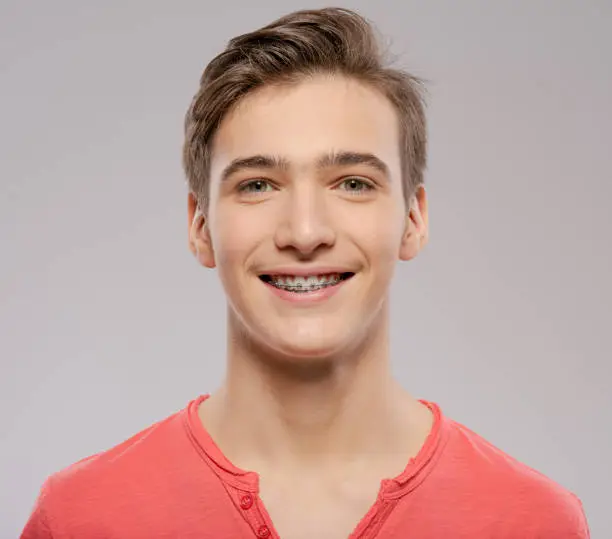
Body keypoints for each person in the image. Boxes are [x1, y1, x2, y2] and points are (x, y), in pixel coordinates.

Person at [21, 7, 590, 539]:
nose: (305, 230)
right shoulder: (82, 516)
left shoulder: (533, 521)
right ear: (200, 225)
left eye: (353, 183)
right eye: (258, 185)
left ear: (413, 219)